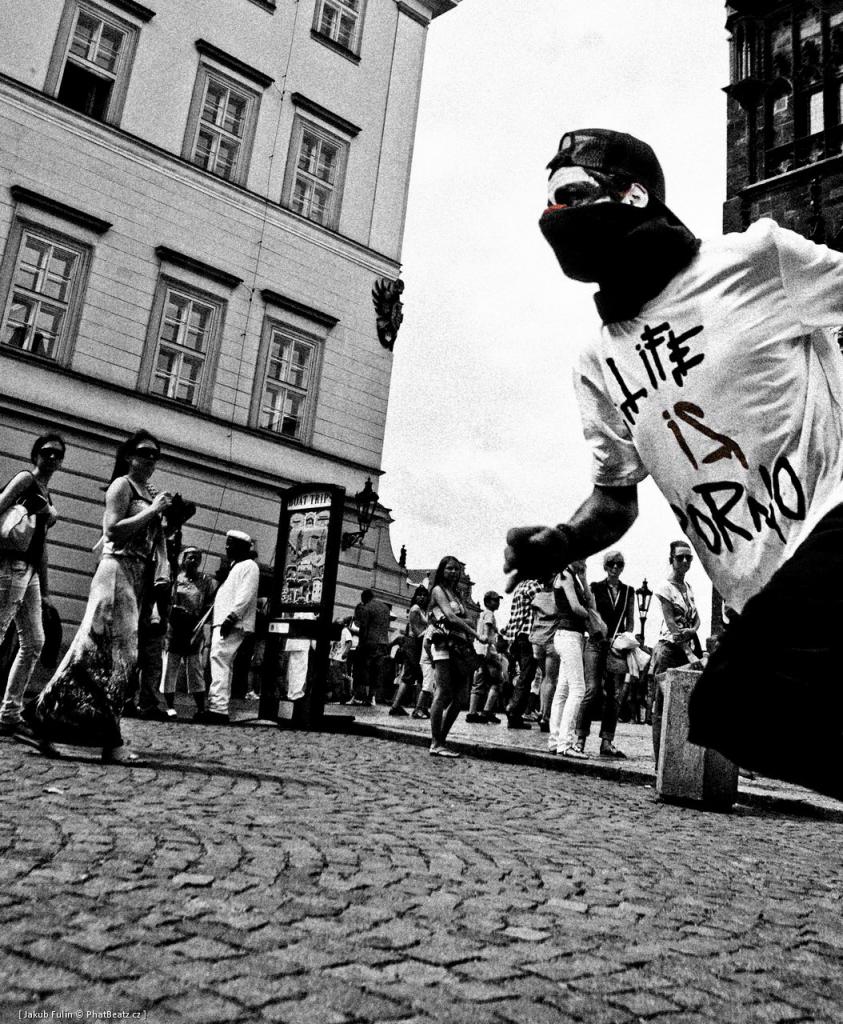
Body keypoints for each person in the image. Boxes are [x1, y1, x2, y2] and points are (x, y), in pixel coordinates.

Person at [503, 126, 843, 798]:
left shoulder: (755, 259)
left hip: (833, 520)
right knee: (738, 719)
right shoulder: (597, 363)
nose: (554, 217)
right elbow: (615, 496)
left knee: (731, 701)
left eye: (569, 195)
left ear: (631, 195)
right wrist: (562, 540)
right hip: (761, 588)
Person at [26, 430, 172, 761]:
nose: (150, 459)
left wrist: (161, 519)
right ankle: (111, 741)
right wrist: (152, 512)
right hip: (115, 573)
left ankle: (42, 718)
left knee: (94, 656)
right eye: (144, 452)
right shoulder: (122, 486)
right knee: (119, 658)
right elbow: (112, 529)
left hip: (133, 577)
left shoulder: (147, 493)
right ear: (129, 456)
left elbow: (149, 541)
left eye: (155, 455)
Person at [0, 432, 65, 740]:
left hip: (30, 572)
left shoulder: (46, 494)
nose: (52, 458)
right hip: (10, 565)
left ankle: (9, 714)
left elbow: (41, 546)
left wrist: (48, 588)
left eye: (57, 454)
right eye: (47, 452)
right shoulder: (26, 480)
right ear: (36, 454)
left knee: (35, 641)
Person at [575, 549, 635, 758]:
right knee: (592, 689)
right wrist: (596, 632)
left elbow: (630, 622)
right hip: (595, 643)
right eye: (612, 564)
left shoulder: (629, 591)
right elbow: (589, 612)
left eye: (619, 564)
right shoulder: (595, 588)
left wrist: (623, 640)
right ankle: (580, 738)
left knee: (614, 695)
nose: (615, 568)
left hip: (615, 647)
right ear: (606, 567)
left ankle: (607, 741)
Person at [199, 530, 259, 725]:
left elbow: (245, 595)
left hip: (232, 623)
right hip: (226, 622)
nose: (226, 547)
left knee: (220, 660)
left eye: (230, 543)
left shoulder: (249, 566)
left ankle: (218, 708)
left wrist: (231, 618)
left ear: (241, 547)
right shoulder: (237, 566)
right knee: (221, 661)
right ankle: (218, 706)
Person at [649, 540, 700, 762]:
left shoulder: (688, 588)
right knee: (662, 705)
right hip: (669, 649)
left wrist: (693, 630)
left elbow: (696, 618)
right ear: (672, 560)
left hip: (685, 645)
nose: (685, 561)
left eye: (689, 557)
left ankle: (677, 758)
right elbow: (671, 624)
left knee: (683, 705)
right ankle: (659, 759)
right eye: (680, 557)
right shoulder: (664, 588)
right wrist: (688, 650)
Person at [427, 555, 483, 757]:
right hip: (443, 643)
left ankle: (441, 739)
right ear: (442, 570)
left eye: (456, 569)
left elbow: (467, 617)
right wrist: (475, 633)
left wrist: (460, 621)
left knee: (460, 697)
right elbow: (450, 617)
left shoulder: (456, 594)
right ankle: (436, 742)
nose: (453, 572)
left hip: (459, 644)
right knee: (443, 692)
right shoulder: (437, 590)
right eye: (449, 568)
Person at [159, 546, 215, 718]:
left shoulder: (205, 581)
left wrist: (202, 627)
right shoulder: (175, 578)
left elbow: (209, 605)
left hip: (193, 628)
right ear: (183, 559)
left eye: (197, 558)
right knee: (170, 667)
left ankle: (200, 707)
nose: (193, 561)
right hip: (175, 627)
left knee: (195, 668)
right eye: (190, 557)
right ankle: (169, 706)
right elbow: (166, 601)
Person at [547, 562, 593, 758]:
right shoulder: (565, 576)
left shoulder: (572, 576)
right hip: (569, 636)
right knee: (578, 689)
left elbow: (588, 600)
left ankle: (555, 740)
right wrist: (595, 617)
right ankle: (565, 743)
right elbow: (577, 607)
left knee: (563, 690)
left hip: (568, 636)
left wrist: (584, 578)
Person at [500, 577, 542, 729]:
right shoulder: (534, 585)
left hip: (517, 637)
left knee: (525, 675)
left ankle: (515, 715)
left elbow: (514, 617)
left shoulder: (520, 586)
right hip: (528, 636)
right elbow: (546, 605)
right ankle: (514, 709)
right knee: (527, 676)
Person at [526, 578, 562, 734]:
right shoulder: (559, 597)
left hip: (537, 641)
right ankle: (545, 716)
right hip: (552, 640)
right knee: (550, 678)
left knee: (542, 676)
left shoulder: (537, 597)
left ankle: (542, 711)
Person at [389, 586, 429, 717]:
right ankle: (416, 707)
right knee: (413, 676)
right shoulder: (415, 609)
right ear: (415, 596)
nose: (422, 597)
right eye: (419, 595)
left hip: (416, 644)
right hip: (414, 643)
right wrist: (429, 633)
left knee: (411, 676)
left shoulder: (423, 610)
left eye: (424, 595)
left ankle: (399, 705)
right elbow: (415, 629)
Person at [465, 590, 503, 724]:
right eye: (495, 600)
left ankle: (472, 712)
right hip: (487, 652)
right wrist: (489, 645)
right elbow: (487, 632)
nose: (497, 603)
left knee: (478, 682)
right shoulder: (489, 614)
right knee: (497, 682)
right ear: (487, 602)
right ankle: (487, 711)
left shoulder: (481, 614)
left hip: (478, 651)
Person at [351, 589, 391, 706]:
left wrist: (360, 644)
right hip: (383, 643)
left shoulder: (366, 607)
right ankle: (372, 697)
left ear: (364, 598)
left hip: (370, 643)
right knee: (376, 671)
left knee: (363, 669)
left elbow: (364, 627)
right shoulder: (385, 608)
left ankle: (359, 696)